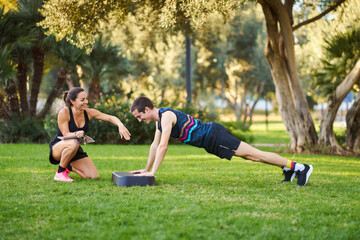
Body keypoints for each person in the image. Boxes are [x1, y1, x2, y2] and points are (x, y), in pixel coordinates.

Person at [129, 96, 313, 186]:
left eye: (138, 116)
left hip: (214, 136)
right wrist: (145, 169)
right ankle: (288, 169)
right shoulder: (159, 121)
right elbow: (154, 145)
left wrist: (153, 172)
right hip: (211, 140)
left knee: (256, 155)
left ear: (146, 109)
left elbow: (163, 146)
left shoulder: (166, 116)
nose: (139, 120)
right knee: (253, 157)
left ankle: (300, 167)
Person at [49, 87, 131, 182]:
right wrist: (76, 133)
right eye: (82, 100)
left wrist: (120, 125)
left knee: (93, 176)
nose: (86, 102)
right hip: (59, 147)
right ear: (72, 101)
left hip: (75, 149)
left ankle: (68, 166)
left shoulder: (88, 113)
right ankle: (60, 172)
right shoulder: (64, 112)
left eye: (86, 98)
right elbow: (65, 134)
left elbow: (110, 118)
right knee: (73, 143)